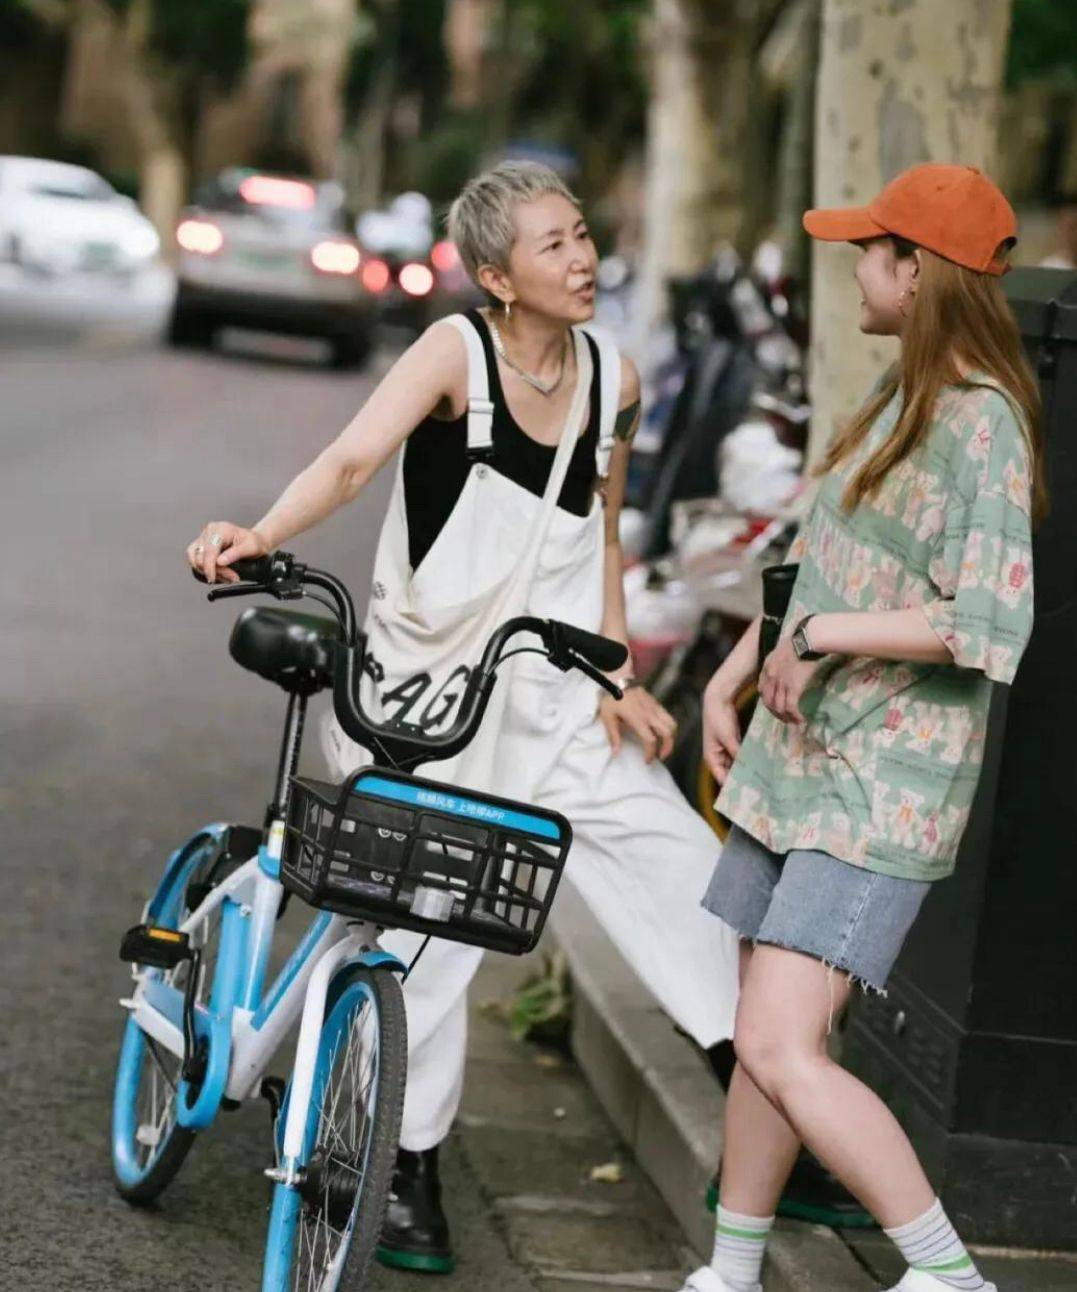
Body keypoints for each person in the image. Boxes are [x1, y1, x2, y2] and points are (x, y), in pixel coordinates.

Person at [187, 161, 740, 1274]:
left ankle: (769, 1084)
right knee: (433, 934)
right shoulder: (454, 353)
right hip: (424, 702)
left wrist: (621, 672)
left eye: (582, 234)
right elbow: (352, 461)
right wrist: (259, 528)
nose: (581, 258)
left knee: (684, 863)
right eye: (551, 244)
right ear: (495, 275)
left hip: (554, 693)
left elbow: (604, 529)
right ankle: (411, 1165)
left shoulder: (613, 378)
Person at [684, 163, 1045, 1292]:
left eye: (870, 247)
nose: (853, 265)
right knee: (764, 1033)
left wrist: (825, 633)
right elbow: (814, 562)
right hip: (797, 759)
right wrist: (729, 677)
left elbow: (989, 622)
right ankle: (729, 1272)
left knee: (783, 1041)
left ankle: (949, 1275)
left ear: (920, 268)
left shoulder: (981, 421)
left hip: (879, 779)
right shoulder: (898, 394)